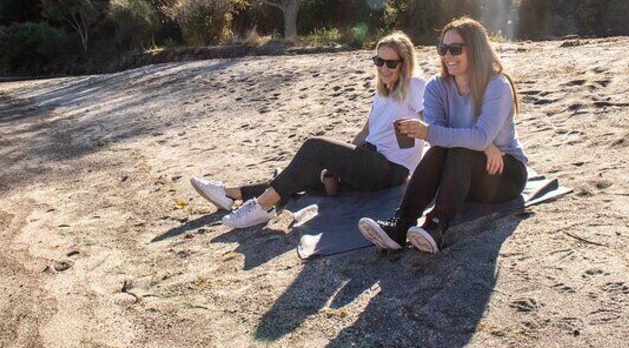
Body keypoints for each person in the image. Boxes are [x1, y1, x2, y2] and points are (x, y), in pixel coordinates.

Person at [190, 31, 426, 229]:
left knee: (314, 146)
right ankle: (232, 193)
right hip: (368, 158)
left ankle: (262, 206)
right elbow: (366, 131)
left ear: (405, 63)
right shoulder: (384, 89)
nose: (384, 68)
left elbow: (433, 126)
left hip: (391, 169)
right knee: (301, 172)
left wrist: (430, 169)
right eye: (379, 62)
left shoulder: (414, 85)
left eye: (391, 63)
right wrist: (343, 162)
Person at [358, 17, 528, 254]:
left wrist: (481, 142)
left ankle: (436, 226)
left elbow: (458, 136)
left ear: (476, 50)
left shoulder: (497, 85)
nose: (447, 56)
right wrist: (482, 143)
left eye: (455, 49)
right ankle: (400, 226)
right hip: (460, 175)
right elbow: (440, 139)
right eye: (443, 49)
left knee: (460, 149)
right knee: (443, 150)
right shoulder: (436, 87)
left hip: (503, 172)